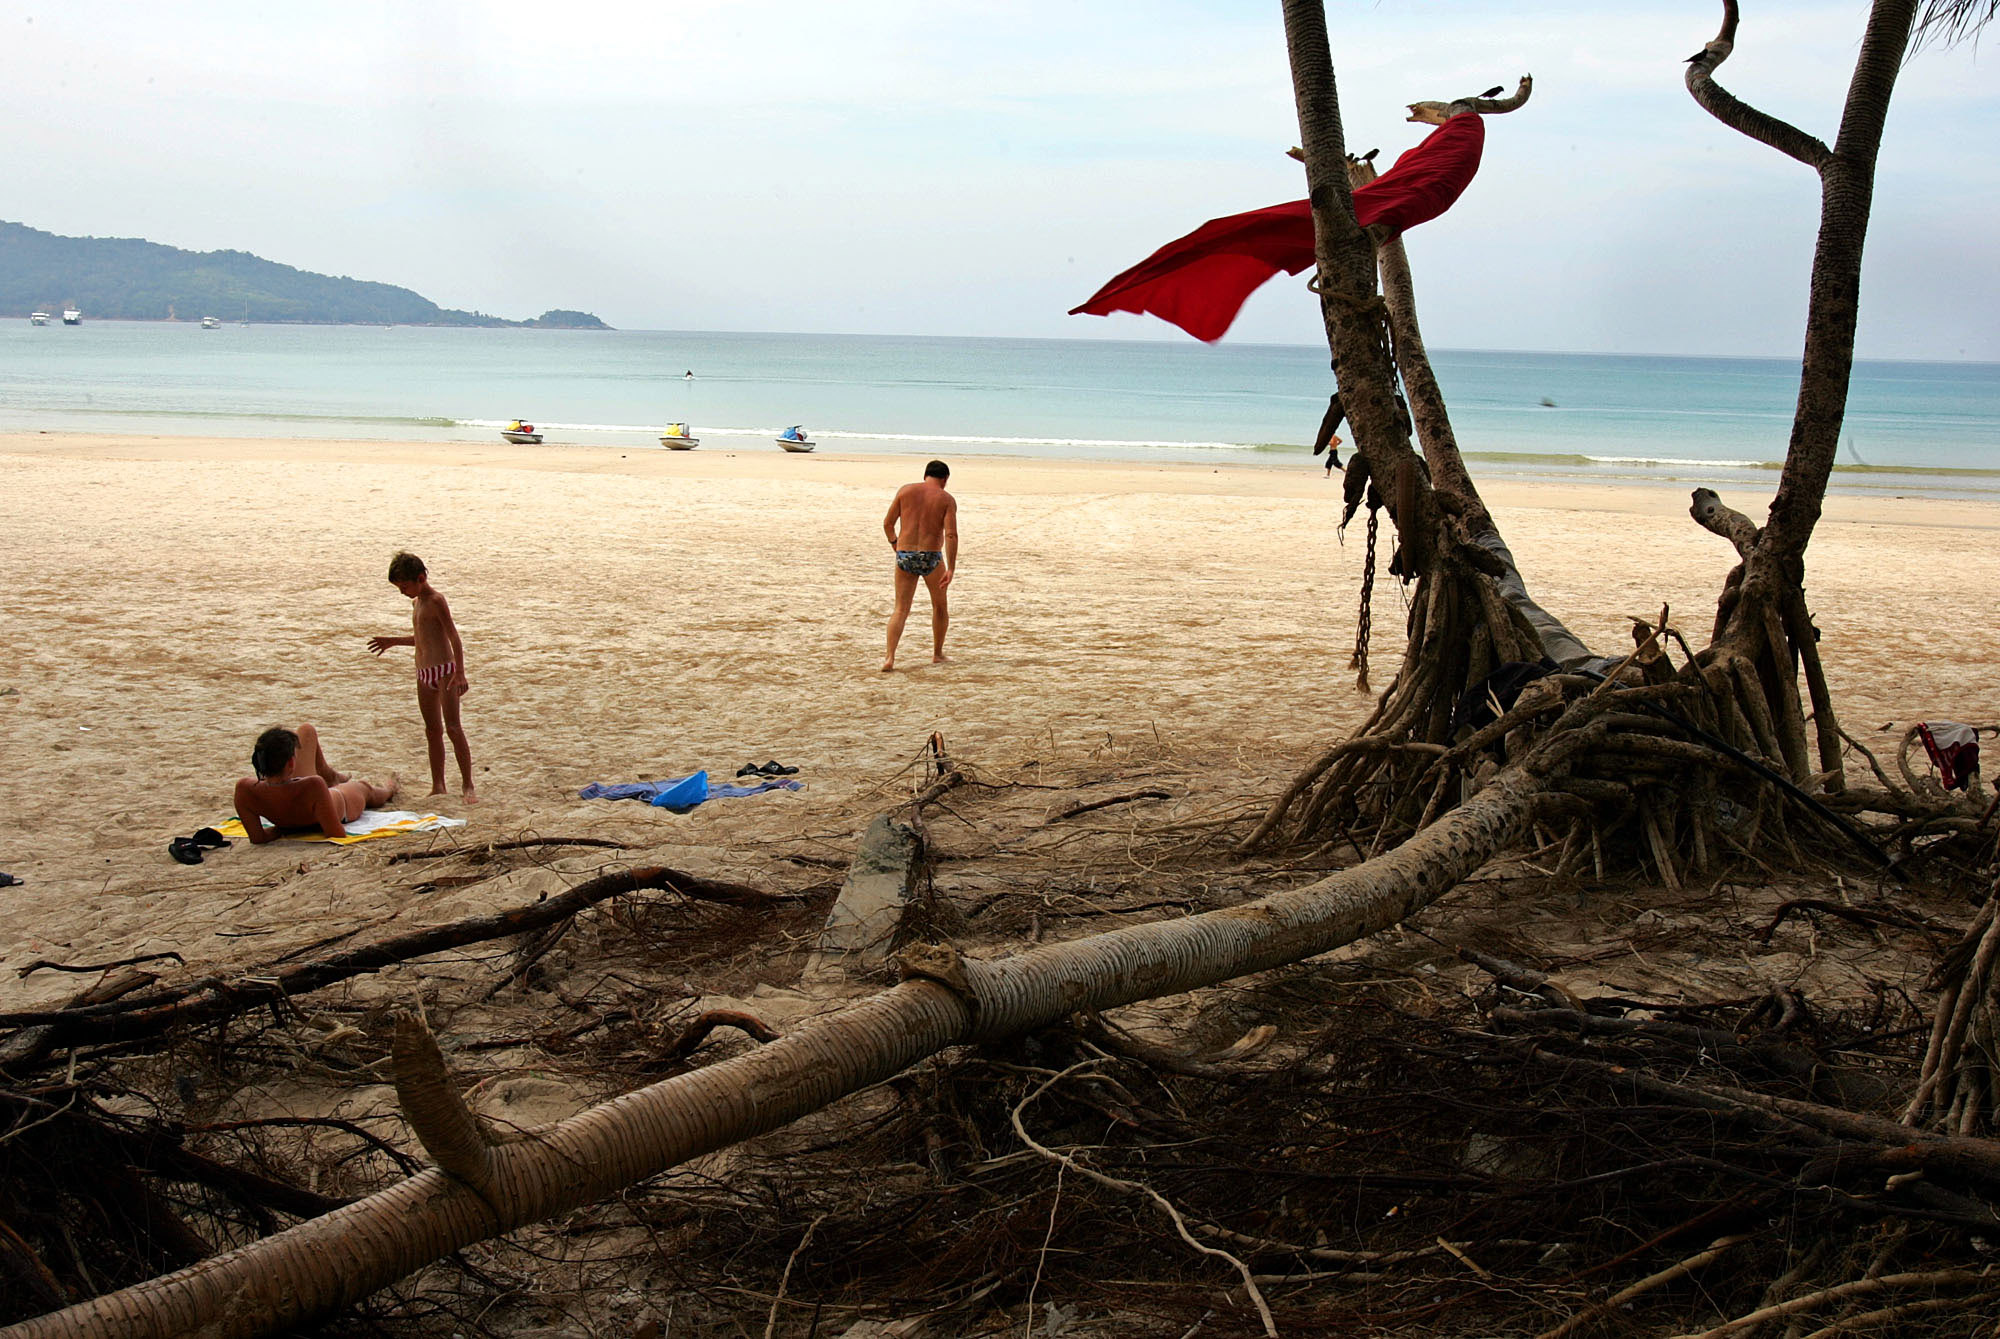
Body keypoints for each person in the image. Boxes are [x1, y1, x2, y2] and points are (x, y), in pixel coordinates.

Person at [367, 551, 478, 802]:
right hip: (423, 672)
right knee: (432, 730)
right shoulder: (416, 603)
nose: (402, 592)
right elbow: (423, 638)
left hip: (445, 672)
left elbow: (453, 637)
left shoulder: (436, 600)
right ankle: (438, 784)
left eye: (404, 586)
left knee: (453, 727)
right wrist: (392, 641)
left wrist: (460, 673)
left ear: (420, 578)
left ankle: (468, 785)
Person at [233, 723, 397, 843]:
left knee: (306, 731)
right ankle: (390, 789)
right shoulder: (313, 785)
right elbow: (336, 834)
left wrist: (282, 828)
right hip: (337, 803)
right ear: (291, 764)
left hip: (295, 802)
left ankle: (332, 776)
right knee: (365, 788)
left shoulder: (244, 789)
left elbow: (258, 838)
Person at [881, 459, 958, 672]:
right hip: (931, 557)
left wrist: (895, 543)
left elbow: (887, 524)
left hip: (905, 554)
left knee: (901, 609)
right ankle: (937, 653)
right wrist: (951, 567)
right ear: (945, 479)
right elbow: (951, 534)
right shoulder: (946, 499)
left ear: (925, 475)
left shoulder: (905, 491)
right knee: (939, 606)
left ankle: (889, 657)